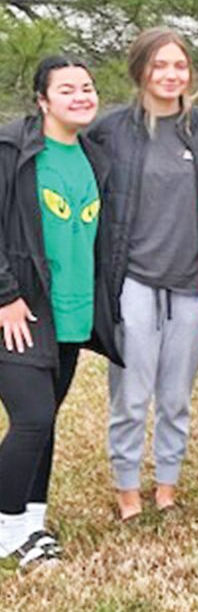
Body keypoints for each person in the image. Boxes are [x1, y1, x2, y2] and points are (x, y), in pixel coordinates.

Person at [87, 28, 198, 521]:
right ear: (140, 71)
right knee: (131, 397)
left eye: (180, 65)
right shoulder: (109, 132)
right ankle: (127, 490)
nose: (171, 75)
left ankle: (167, 487)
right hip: (133, 282)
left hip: (192, 288)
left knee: (176, 398)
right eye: (160, 65)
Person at [0, 55, 119, 569]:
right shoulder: (12, 150)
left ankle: (32, 524)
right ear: (42, 100)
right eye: (66, 89)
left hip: (72, 313)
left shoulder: (95, 158)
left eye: (87, 87)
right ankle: (6, 531)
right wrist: (5, 296)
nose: (80, 96)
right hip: (19, 310)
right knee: (32, 419)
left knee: (45, 423)